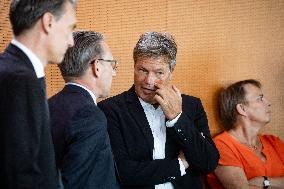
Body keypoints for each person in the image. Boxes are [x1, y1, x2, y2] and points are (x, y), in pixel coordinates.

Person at [98, 31, 219, 189]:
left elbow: (208, 163)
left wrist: (177, 118)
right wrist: (180, 164)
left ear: (171, 72)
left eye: (159, 72)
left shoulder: (192, 106)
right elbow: (124, 172)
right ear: (134, 66)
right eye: (143, 70)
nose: (149, 81)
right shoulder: (111, 110)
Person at [0, 0, 76, 188]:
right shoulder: (20, 80)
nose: (71, 41)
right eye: (69, 29)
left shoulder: (13, 70)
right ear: (48, 22)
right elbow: (21, 173)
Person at [48, 31, 120, 189]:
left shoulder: (47, 106)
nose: (114, 72)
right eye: (112, 64)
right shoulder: (89, 116)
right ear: (97, 66)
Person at [207, 79, 284, 189]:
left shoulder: (274, 141)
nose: (268, 103)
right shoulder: (221, 145)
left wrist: (265, 182)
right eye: (260, 99)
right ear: (242, 109)